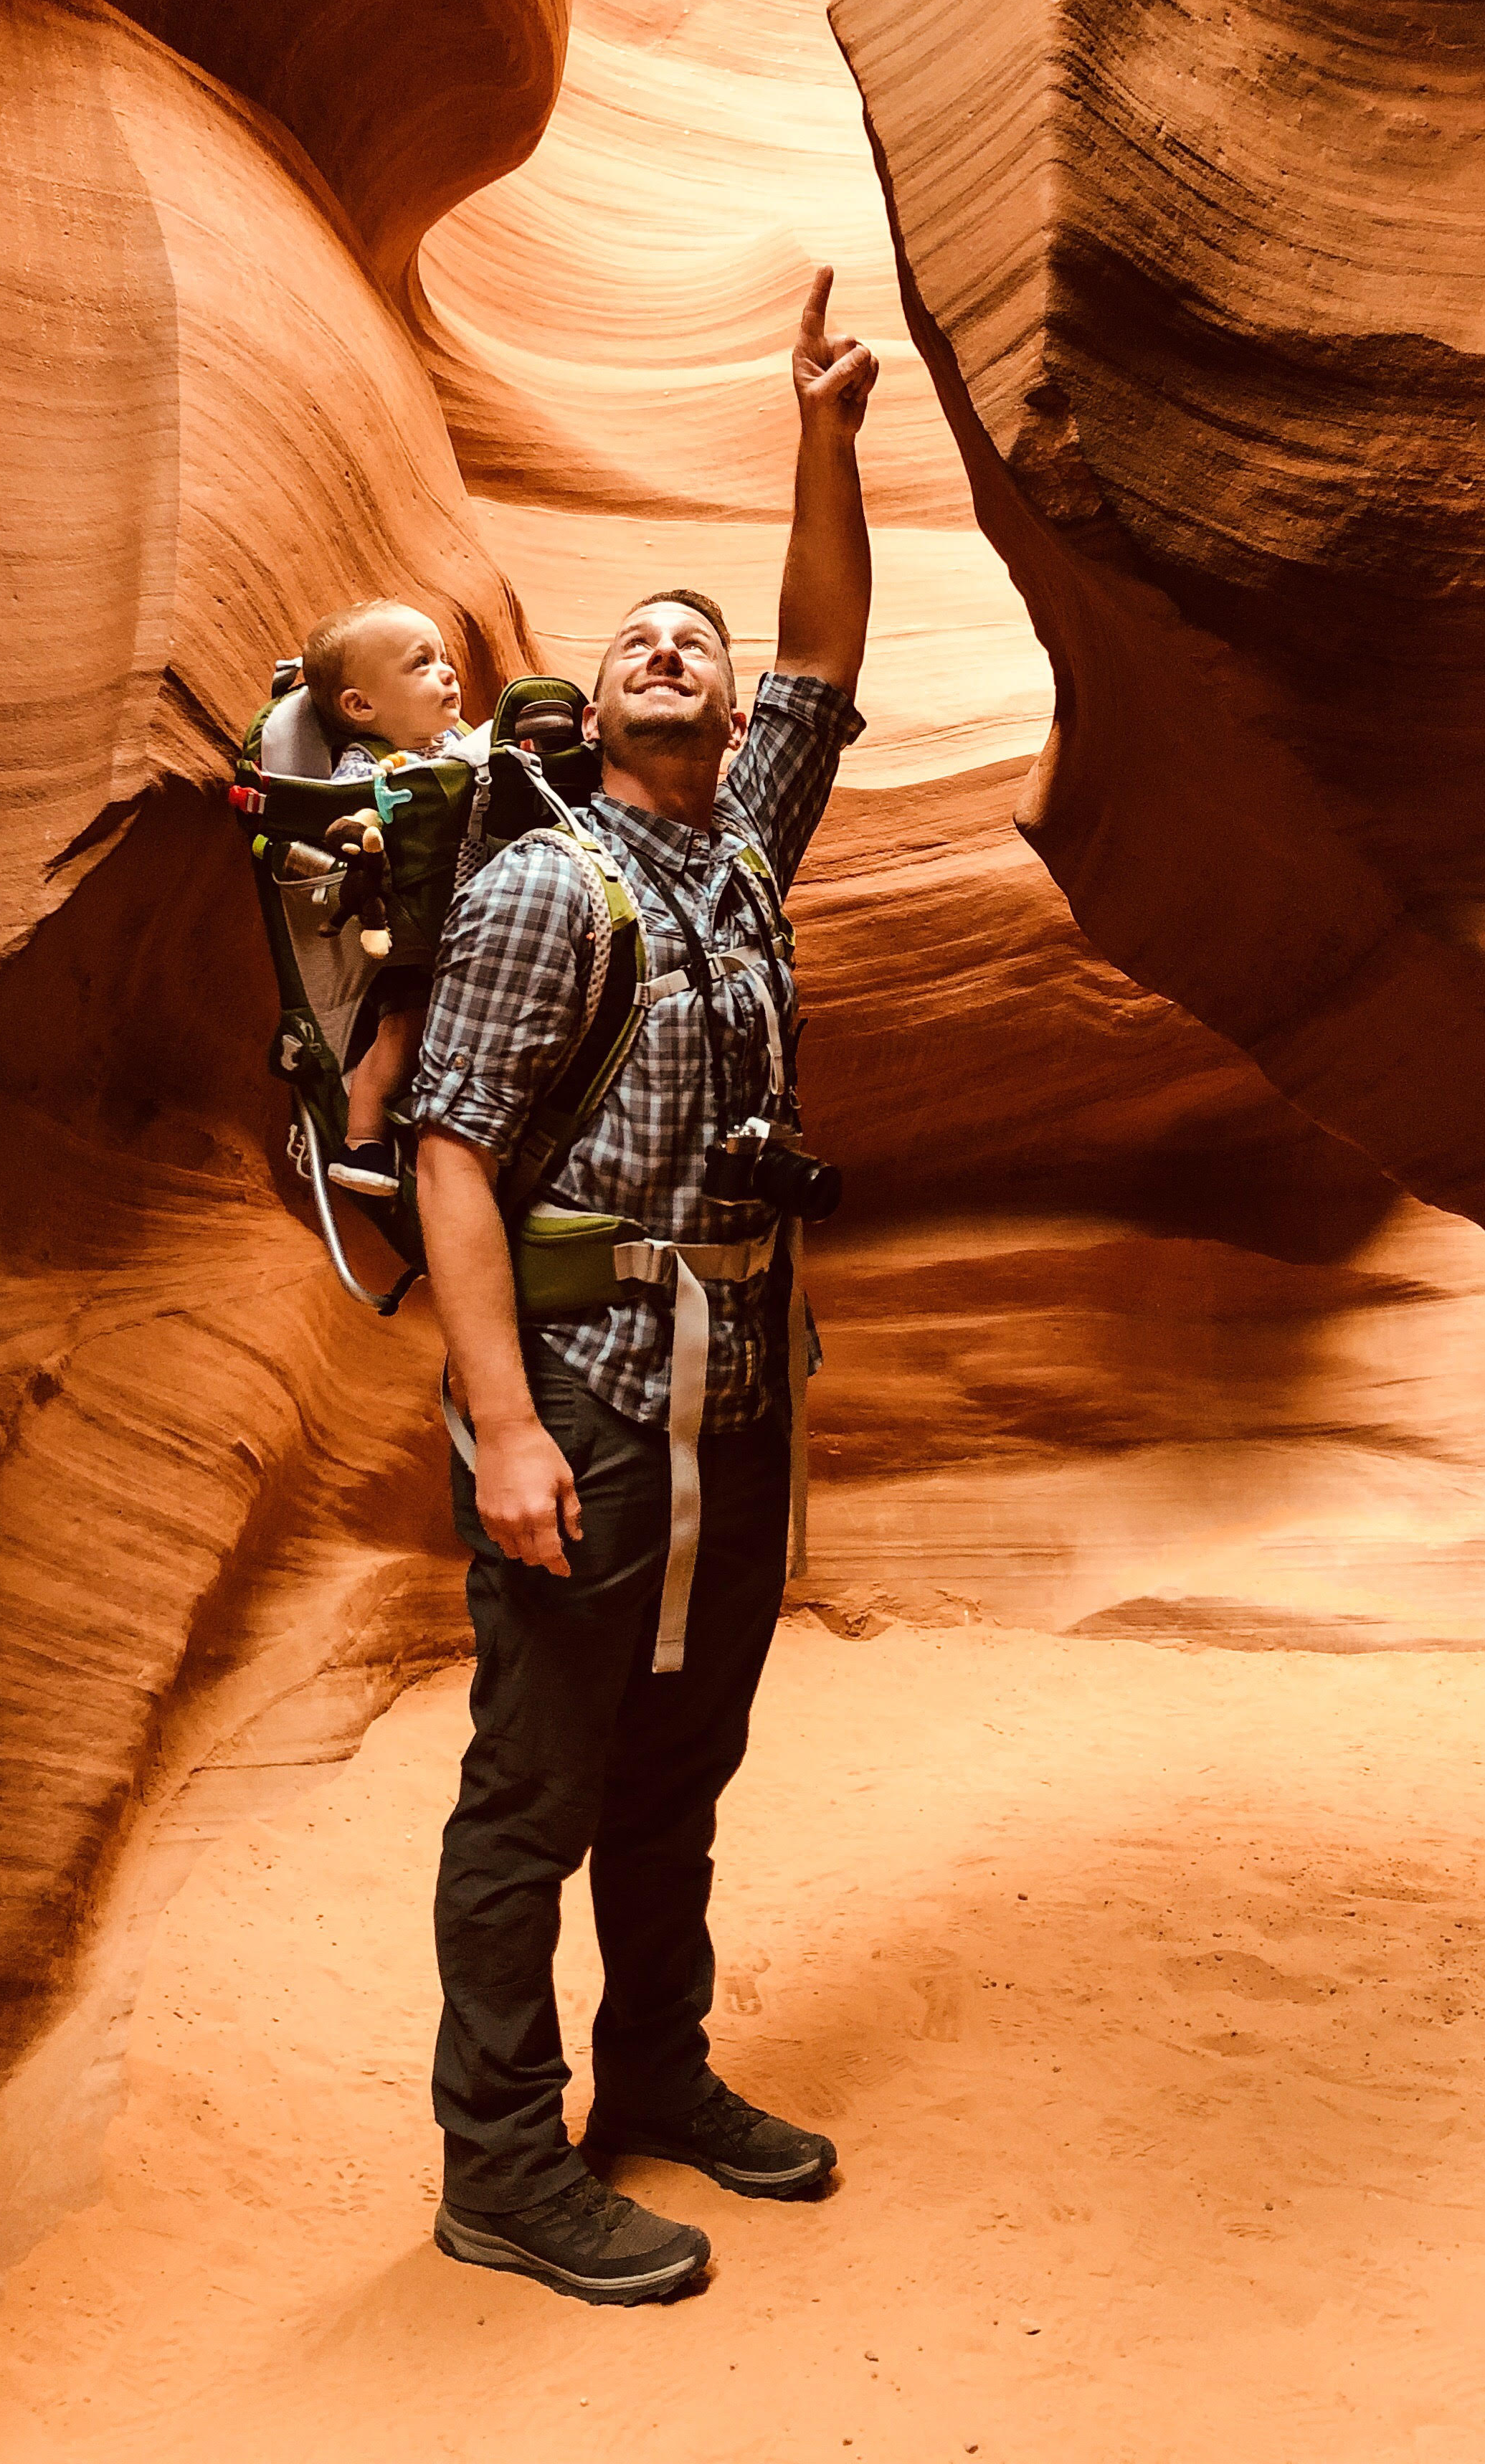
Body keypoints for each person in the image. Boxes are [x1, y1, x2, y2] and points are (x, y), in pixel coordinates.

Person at [412, 266, 878, 2305]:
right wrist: (504, 1426)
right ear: (599, 718)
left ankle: (656, 2076)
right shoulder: (545, 879)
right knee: (539, 1778)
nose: (680, 652)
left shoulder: (746, 857)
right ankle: (499, 2164)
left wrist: (825, 440)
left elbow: (828, 660)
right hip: (591, 1390)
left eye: (700, 637)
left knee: (685, 1756)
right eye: (639, 645)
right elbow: (449, 1152)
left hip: (739, 1377)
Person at [299, 599, 484, 1198]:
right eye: (421, 663)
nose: (448, 672)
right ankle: (364, 1134)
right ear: (361, 705)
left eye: (445, 658)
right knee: (406, 1025)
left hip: (474, 918)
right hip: (404, 926)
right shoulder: (365, 765)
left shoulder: (458, 743)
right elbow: (344, 821)